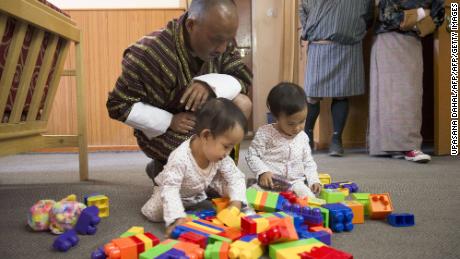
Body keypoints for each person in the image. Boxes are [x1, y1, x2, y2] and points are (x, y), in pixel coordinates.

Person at [106, 0, 252, 182]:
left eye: (228, 40)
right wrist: (169, 120)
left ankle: (220, 177)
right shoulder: (148, 53)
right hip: (166, 131)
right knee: (194, 160)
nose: (223, 48)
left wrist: (209, 84)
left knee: (242, 103)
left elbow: (242, 77)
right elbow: (118, 105)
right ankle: (162, 167)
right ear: (191, 25)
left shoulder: (222, 39)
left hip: (204, 117)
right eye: (216, 40)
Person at [141, 98, 248, 236]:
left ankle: (227, 198)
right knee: (154, 213)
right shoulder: (180, 158)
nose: (228, 153)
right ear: (206, 136)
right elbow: (170, 189)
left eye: (232, 147)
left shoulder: (219, 154)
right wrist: (177, 218)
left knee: (234, 185)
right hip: (173, 188)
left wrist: (236, 203)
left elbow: (235, 177)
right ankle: (155, 169)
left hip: (200, 186)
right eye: (226, 146)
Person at [368, 0, 444, 163]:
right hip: (387, 40)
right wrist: (422, 13)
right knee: (387, 95)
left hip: (413, 41)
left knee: (410, 95)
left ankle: (408, 145)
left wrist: (411, 20)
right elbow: (387, 16)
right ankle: (392, 147)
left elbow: (439, 15)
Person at [299, 0, 374, 156]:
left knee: (341, 94)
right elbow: (304, 11)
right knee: (312, 95)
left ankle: (336, 140)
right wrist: (313, 28)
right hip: (319, 43)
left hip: (348, 45)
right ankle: (307, 138)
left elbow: (368, 17)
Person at [245, 82, 321, 198]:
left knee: (309, 199)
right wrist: (263, 172)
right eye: (291, 123)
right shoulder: (265, 133)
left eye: (302, 121)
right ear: (276, 116)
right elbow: (252, 155)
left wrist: (313, 180)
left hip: (295, 183)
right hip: (271, 182)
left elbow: (308, 162)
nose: (297, 128)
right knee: (250, 197)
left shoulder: (303, 137)